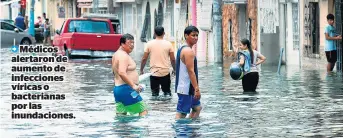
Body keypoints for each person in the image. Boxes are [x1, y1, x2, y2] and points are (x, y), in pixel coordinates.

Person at [112, 34, 148, 116]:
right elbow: (121, 72)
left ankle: (123, 129)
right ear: (122, 44)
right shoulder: (123, 56)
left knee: (121, 117)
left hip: (118, 89)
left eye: (133, 43)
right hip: (127, 89)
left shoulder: (116, 54)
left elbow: (115, 72)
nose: (132, 45)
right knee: (143, 112)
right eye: (129, 43)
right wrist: (133, 86)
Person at [140, 26, 176, 98]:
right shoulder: (168, 44)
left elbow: (144, 58)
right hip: (165, 73)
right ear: (164, 33)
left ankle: (155, 108)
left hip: (153, 73)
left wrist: (141, 69)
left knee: (154, 94)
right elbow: (173, 59)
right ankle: (166, 108)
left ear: (154, 33)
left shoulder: (149, 44)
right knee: (167, 94)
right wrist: (175, 69)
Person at [175, 26, 201, 119]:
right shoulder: (188, 51)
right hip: (186, 88)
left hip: (188, 87)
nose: (196, 38)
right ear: (186, 36)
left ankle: (191, 130)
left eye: (197, 35)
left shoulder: (182, 48)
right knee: (182, 113)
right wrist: (197, 89)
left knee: (197, 108)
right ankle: (180, 132)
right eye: (193, 35)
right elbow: (191, 72)